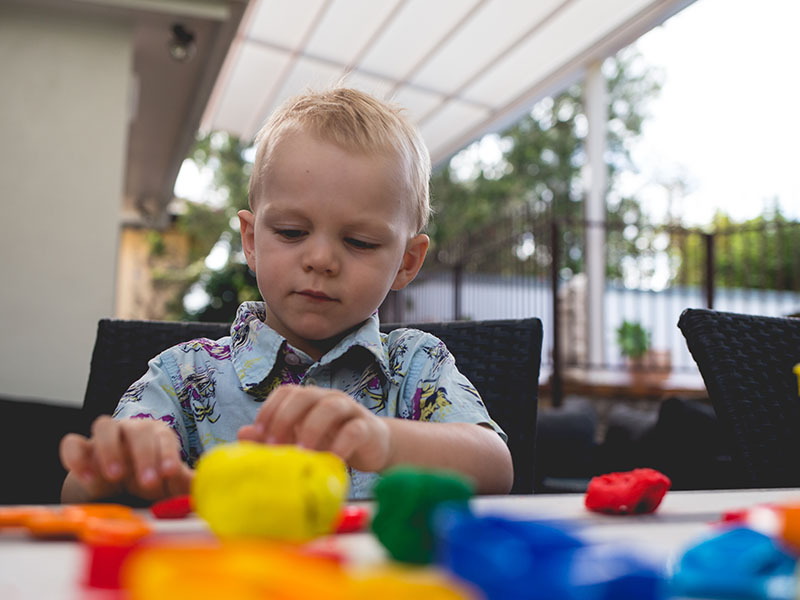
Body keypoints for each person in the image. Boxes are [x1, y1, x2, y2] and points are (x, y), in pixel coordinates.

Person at [60, 87, 513, 503]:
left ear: (407, 262)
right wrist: (115, 468)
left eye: (359, 242)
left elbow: (496, 468)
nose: (321, 260)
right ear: (252, 240)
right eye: (292, 231)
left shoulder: (418, 366)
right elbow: (75, 496)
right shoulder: (182, 377)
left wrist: (384, 440)